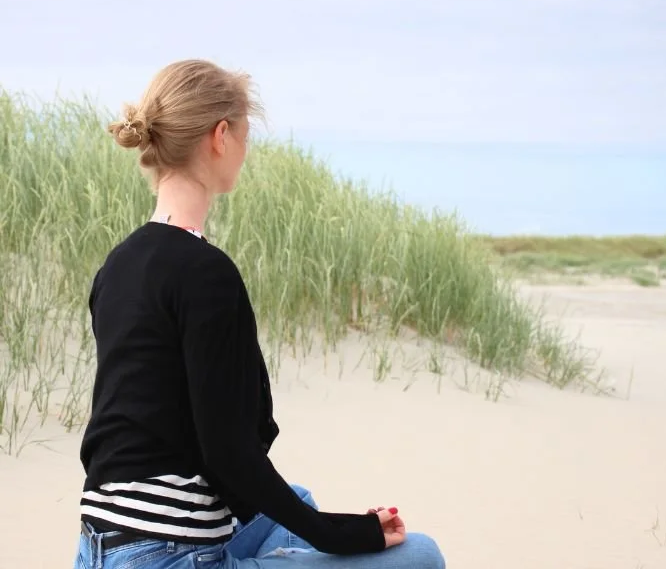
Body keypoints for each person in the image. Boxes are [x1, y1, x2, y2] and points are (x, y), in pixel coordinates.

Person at [72, 59, 446, 569]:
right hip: (166, 557)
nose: (246, 152)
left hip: (101, 547)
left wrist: (332, 522)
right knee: (419, 556)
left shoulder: (117, 265)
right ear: (220, 136)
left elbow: (167, 429)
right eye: (245, 137)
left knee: (300, 499)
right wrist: (341, 536)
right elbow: (229, 456)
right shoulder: (205, 272)